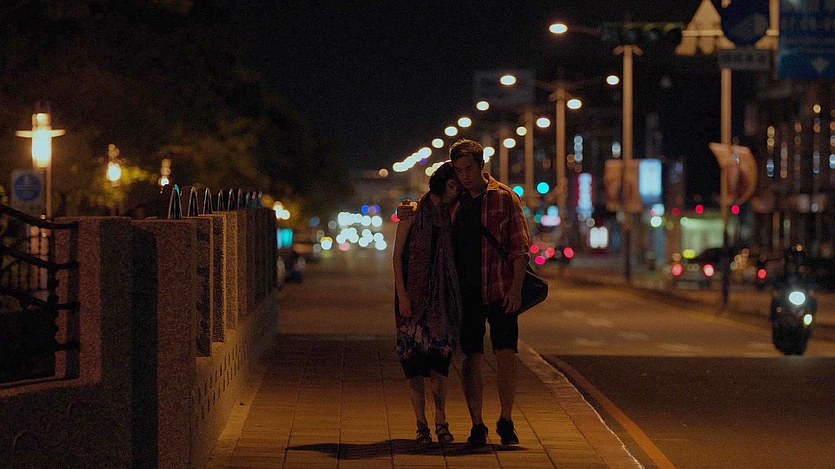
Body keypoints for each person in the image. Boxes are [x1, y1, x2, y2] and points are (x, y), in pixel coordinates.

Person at [398, 139, 531, 447]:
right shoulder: (453, 199)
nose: (464, 176)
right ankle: (477, 424)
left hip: (499, 286)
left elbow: (520, 246)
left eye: (469, 169)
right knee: (471, 357)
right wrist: (407, 209)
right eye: (458, 170)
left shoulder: (504, 197)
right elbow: (426, 209)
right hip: (464, 291)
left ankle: (506, 419)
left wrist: (516, 288)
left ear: (481, 166)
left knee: (506, 353)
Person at [392, 161, 463, 447]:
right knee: (413, 365)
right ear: (442, 183)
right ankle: (421, 425)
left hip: (440, 302)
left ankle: (441, 421)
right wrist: (403, 296)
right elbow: (397, 257)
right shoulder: (413, 213)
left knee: (439, 364)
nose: (456, 190)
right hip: (411, 298)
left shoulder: (452, 215)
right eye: (453, 184)